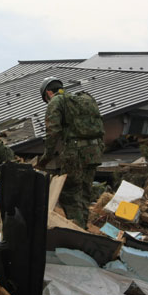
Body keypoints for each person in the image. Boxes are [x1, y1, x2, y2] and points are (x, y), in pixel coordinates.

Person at [37, 76, 104, 227]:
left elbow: (52, 132)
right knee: (85, 193)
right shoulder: (84, 99)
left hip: (75, 152)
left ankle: (76, 229)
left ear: (48, 93)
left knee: (69, 193)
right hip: (94, 151)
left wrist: (46, 158)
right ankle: (84, 228)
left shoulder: (56, 101)